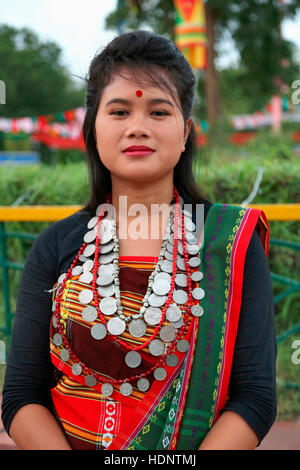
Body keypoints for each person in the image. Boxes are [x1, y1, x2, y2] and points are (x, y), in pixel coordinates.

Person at [1, 30, 276, 451]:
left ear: (186, 133)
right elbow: (22, 394)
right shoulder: (55, 247)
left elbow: (254, 397)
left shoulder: (230, 246)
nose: (138, 128)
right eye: (119, 111)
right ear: (92, 130)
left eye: (159, 113)